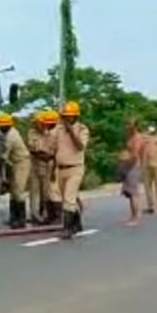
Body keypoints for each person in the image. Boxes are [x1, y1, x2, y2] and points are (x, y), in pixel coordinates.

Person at [55, 101, 90, 238]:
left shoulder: (82, 129)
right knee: (67, 198)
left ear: (75, 116)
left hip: (75, 167)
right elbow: (53, 148)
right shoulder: (58, 130)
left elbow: (80, 146)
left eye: (69, 116)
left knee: (69, 197)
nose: (66, 118)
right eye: (65, 116)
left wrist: (71, 131)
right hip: (61, 168)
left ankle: (67, 228)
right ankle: (77, 223)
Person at [0, 113, 32, 229]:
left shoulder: (11, 136)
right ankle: (14, 218)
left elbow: (3, 157)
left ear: (5, 126)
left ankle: (21, 219)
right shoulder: (9, 134)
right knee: (13, 192)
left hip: (22, 162)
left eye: (0, 126)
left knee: (18, 191)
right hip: (15, 163)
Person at [27, 110, 60, 225]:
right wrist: (42, 154)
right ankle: (35, 215)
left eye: (39, 122)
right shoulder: (32, 132)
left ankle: (46, 214)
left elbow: (55, 151)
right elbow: (32, 149)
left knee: (46, 192)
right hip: (35, 164)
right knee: (34, 191)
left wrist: (48, 157)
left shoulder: (52, 132)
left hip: (48, 166)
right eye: (36, 123)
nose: (37, 125)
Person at [123, 118, 145, 227]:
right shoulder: (130, 137)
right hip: (128, 166)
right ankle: (133, 215)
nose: (127, 127)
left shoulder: (138, 138)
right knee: (129, 192)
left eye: (129, 124)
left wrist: (126, 159)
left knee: (133, 193)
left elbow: (135, 155)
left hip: (134, 166)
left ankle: (136, 217)